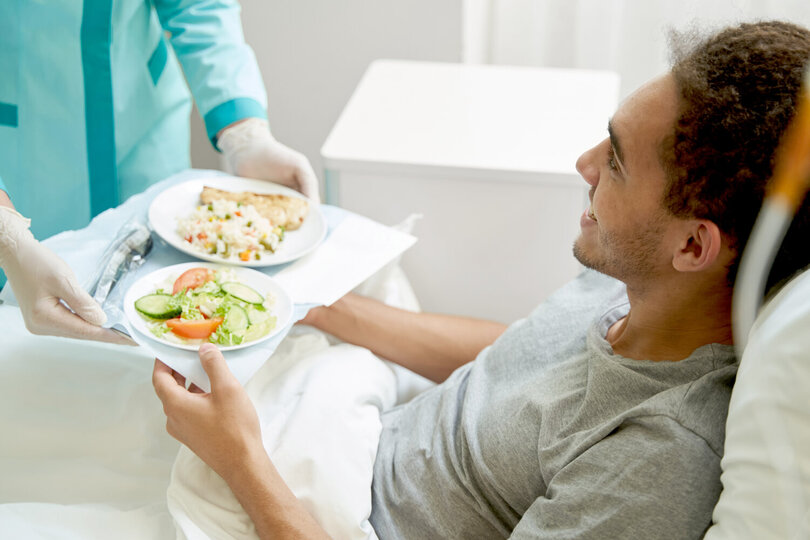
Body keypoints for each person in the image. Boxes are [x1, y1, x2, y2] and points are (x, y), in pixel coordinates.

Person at [152, 21, 810, 539]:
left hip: (314, 507)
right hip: (358, 436)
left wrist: (237, 456)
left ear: (693, 245)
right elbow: (518, 356)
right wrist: (324, 307)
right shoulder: (643, 289)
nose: (582, 164)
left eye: (614, 162)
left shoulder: (651, 468)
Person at [0, 0, 317, 344]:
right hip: (27, 151)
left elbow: (199, 5)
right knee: (34, 328)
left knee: (167, 308)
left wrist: (244, 132)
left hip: (145, 124)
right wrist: (7, 235)